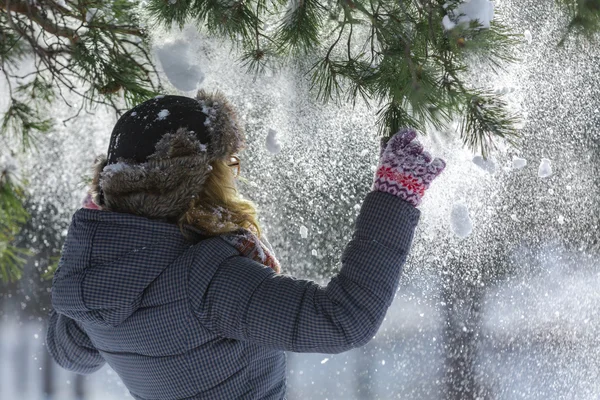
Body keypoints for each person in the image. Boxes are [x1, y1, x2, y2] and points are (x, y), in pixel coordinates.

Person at [46, 90, 445, 400]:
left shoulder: (92, 283)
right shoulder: (205, 280)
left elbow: (70, 353)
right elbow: (342, 319)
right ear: (199, 180)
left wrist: (111, 232)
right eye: (225, 166)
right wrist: (397, 195)